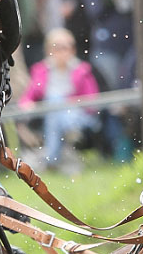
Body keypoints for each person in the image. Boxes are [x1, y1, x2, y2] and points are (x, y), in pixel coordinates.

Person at [18, 28, 98, 173]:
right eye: (57, 47)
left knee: (56, 102)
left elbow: (92, 103)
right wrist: (27, 105)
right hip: (50, 118)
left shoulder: (82, 70)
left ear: (72, 49)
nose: (62, 52)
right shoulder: (41, 70)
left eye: (66, 47)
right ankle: (57, 156)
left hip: (77, 115)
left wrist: (67, 104)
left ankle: (51, 158)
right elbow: (28, 97)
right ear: (49, 49)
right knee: (55, 104)